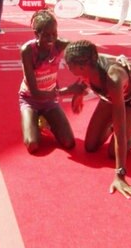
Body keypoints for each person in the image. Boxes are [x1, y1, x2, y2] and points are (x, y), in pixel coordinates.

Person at [64, 40, 131, 199]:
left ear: (82, 66)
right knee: (91, 146)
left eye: (69, 65)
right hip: (109, 98)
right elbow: (84, 77)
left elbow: (120, 131)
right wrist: (78, 94)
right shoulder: (88, 63)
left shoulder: (113, 78)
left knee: (114, 152)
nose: (67, 67)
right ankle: (113, 127)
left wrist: (120, 175)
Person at [19, 10, 85, 154]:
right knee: (32, 145)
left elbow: (86, 54)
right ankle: (34, 117)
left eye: (54, 34)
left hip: (49, 101)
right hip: (30, 99)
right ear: (36, 33)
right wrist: (68, 91)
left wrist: (117, 59)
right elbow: (35, 93)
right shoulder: (27, 51)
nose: (51, 39)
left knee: (69, 143)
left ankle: (46, 119)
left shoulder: (60, 45)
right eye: (46, 35)